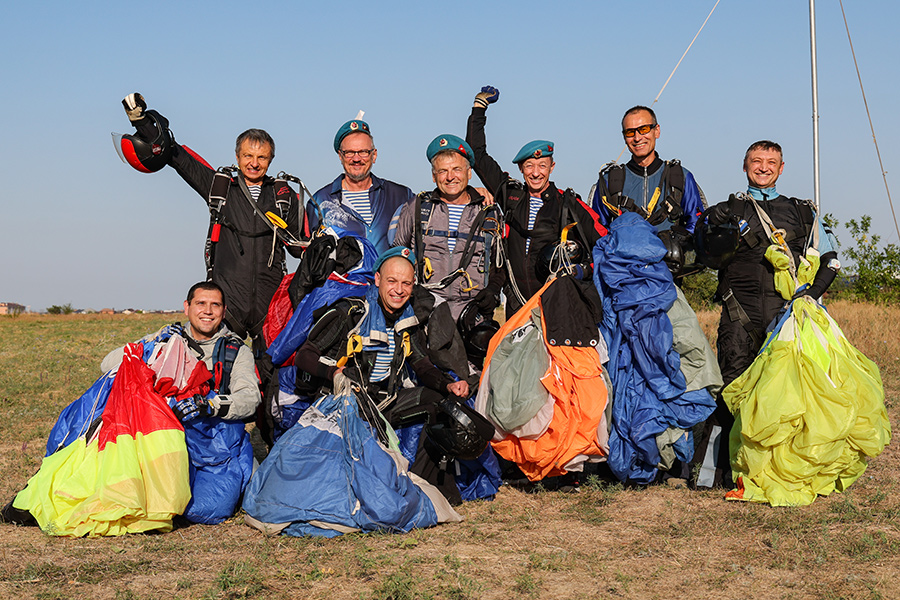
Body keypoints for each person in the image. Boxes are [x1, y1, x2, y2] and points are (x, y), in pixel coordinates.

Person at [119, 93, 304, 389]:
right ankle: (211, 427)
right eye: (248, 156)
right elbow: (177, 156)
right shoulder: (220, 187)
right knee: (214, 372)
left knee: (272, 375)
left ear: (271, 159)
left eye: (261, 157)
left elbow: (301, 246)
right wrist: (142, 122)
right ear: (237, 156)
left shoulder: (284, 197)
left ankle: (269, 432)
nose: (254, 164)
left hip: (269, 302)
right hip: (227, 300)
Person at [692, 140, 840, 488]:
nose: (763, 167)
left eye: (771, 161)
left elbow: (831, 259)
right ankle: (720, 474)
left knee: (784, 396)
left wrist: (811, 295)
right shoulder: (725, 210)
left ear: (782, 167)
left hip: (785, 317)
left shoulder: (802, 212)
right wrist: (712, 230)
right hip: (737, 313)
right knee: (733, 390)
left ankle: (778, 471)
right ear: (745, 166)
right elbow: (701, 255)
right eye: (756, 161)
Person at [293, 247, 492, 504]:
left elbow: (421, 365)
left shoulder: (407, 320)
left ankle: (428, 488)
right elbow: (304, 355)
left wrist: (448, 385)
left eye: (406, 283)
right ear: (377, 280)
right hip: (347, 406)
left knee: (437, 402)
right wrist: (334, 373)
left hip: (385, 403)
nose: (399, 290)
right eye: (392, 281)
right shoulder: (350, 313)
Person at [466, 86, 605, 316]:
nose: (536, 172)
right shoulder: (510, 196)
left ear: (552, 167)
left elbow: (603, 243)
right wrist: (479, 108)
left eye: (542, 165)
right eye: (529, 165)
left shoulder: (568, 204)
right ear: (521, 168)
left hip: (558, 307)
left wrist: (583, 271)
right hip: (517, 306)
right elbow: (477, 155)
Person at [101, 281, 260, 422]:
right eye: (201, 303)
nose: (208, 311)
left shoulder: (235, 351)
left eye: (215, 305)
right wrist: (152, 342)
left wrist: (209, 406)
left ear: (224, 311)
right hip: (161, 431)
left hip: (214, 439)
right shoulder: (166, 339)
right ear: (187, 307)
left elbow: (250, 398)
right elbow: (107, 365)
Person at [392, 134, 504, 322]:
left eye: (456, 169)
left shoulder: (489, 211)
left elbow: (499, 265)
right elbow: (397, 256)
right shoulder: (417, 207)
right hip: (426, 314)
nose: (450, 177)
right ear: (434, 176)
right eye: (442, 171)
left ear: (469, 173)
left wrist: (492, 290)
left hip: (473, 316)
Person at [589, 105, 706, 276]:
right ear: (624, 137)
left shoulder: (680, 177)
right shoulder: (609, 181)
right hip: (622, 281)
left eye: (643, 129)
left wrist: (673, 246)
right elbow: (596, 231)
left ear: (656, 131)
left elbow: (698, 225)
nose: (637, 138)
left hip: (669, 279)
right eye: (630, 132)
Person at [306, 119, 415, 254]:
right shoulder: (319, 201)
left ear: (374, 155)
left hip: (387, 275)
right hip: (339, 276)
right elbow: (310, 253)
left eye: (363, 152)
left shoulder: (401, 196)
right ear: (340, 156)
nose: (356, 159)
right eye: (350, 152)